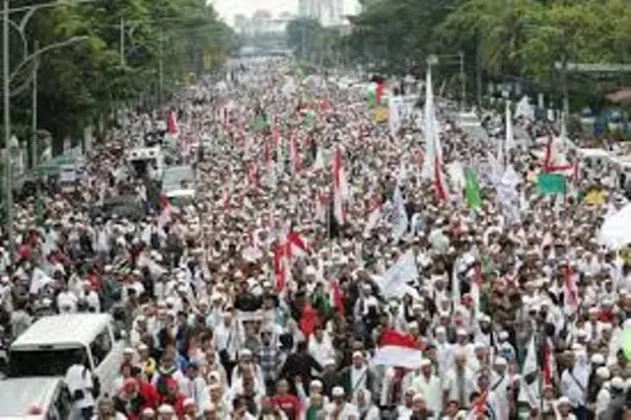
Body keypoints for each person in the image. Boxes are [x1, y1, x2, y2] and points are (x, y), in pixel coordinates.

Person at [65, 352, 98, 420]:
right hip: (87, 402)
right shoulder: (85, 371)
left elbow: (66, 383)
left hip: (75, 403)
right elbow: (89, 386)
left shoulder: (69, 370)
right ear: (83, 359)